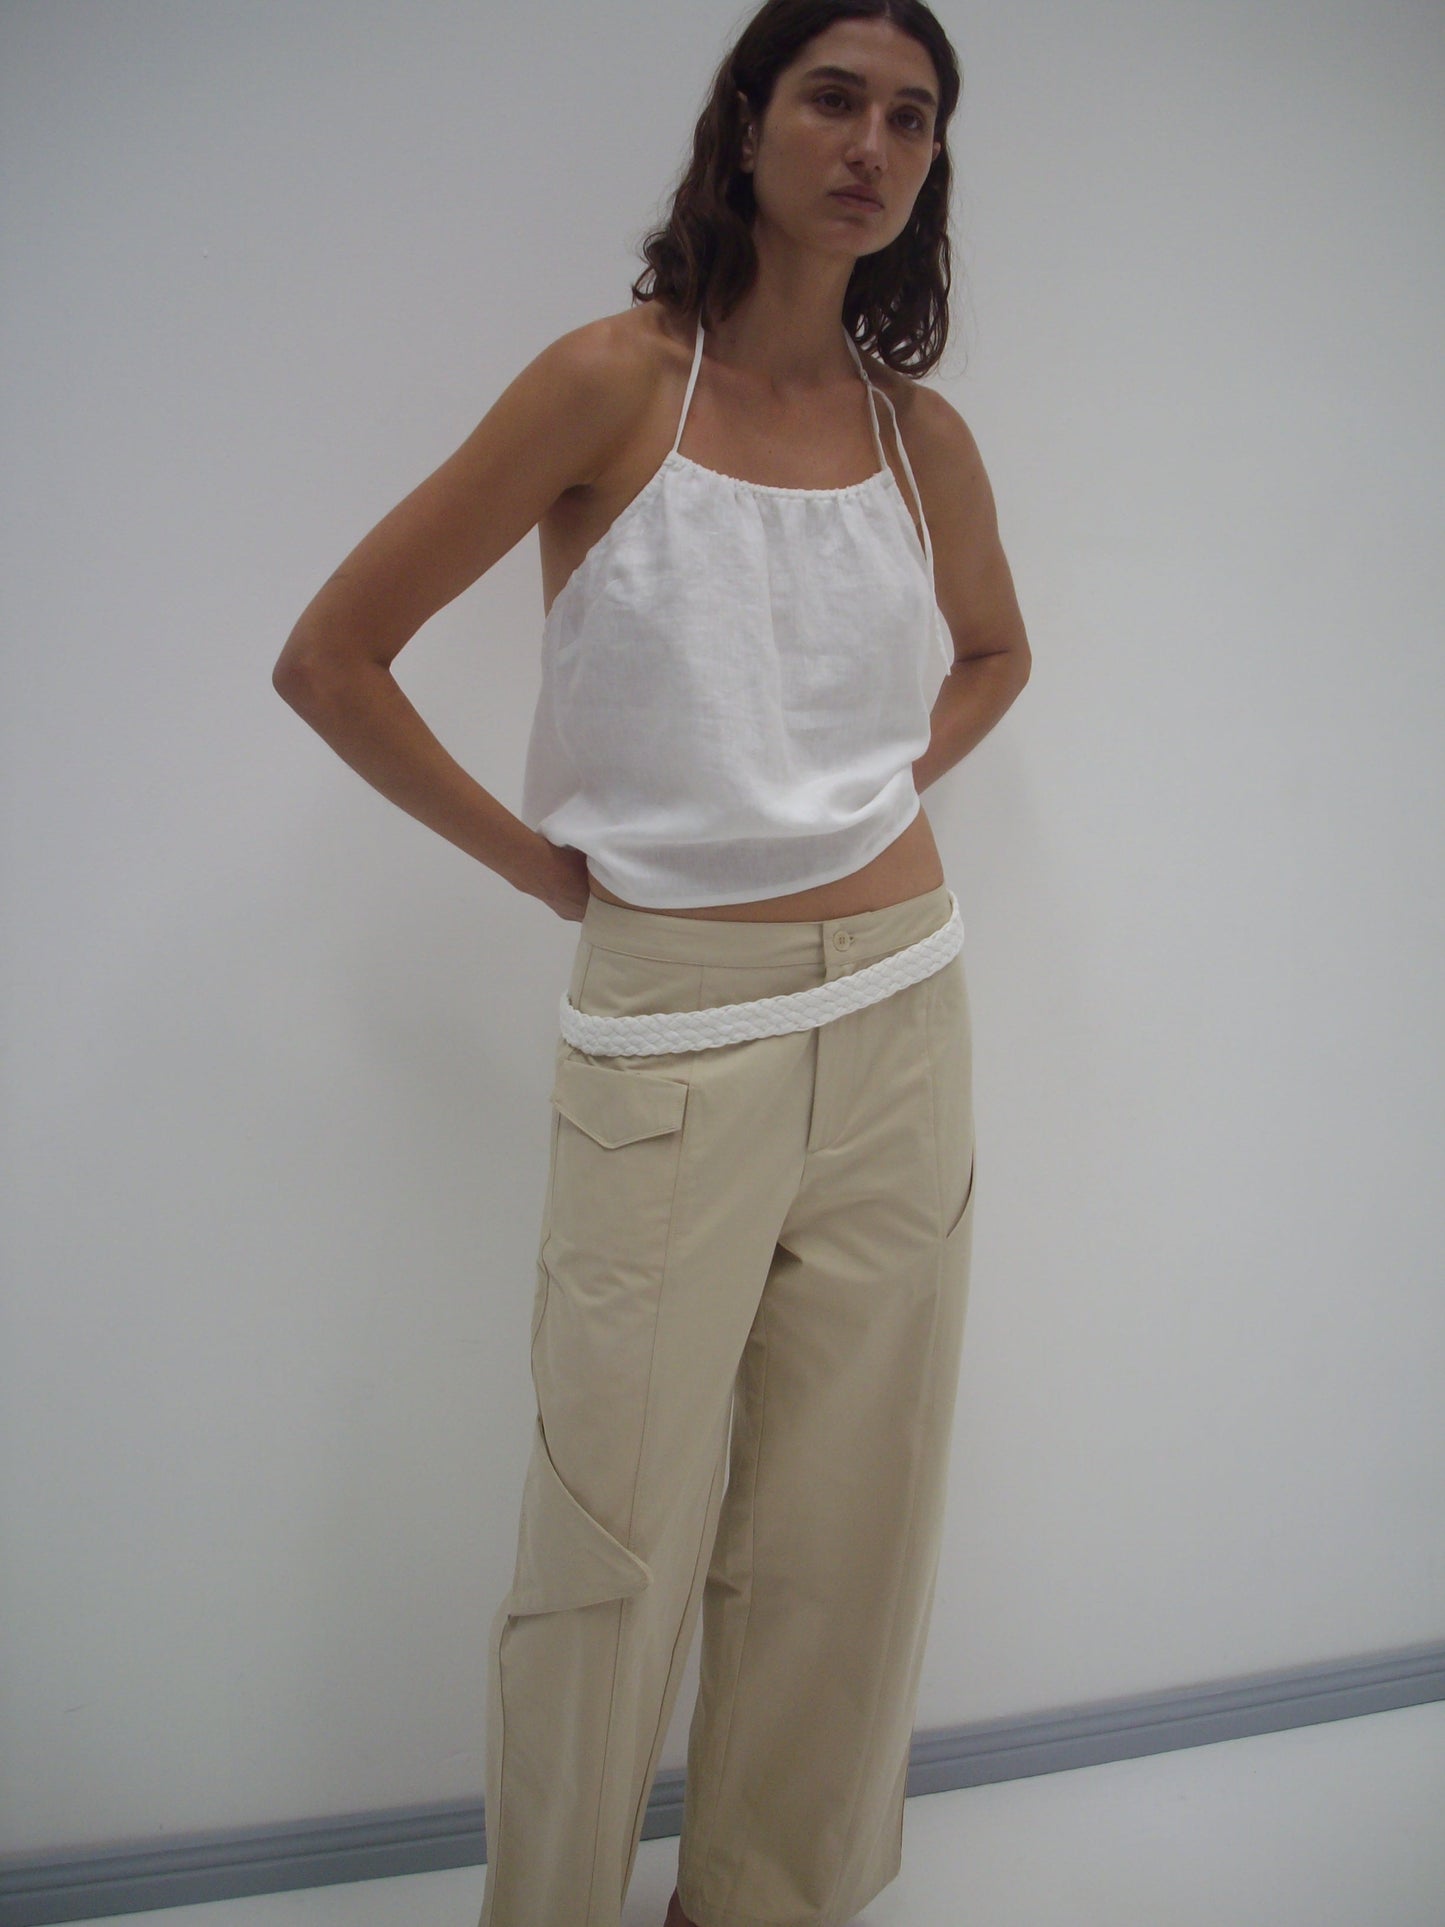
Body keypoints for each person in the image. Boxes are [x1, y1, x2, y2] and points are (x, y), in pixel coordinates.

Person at [273, 1, 1029, 1920]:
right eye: (834, 98)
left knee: (848, 1527)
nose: (870, 142)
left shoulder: (916, 433)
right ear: (750, 123)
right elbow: (332, 658)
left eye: (912, 118)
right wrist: (542, 871)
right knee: (611, 1532)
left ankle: (763, 1899)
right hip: (674, 1028)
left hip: (902, 1010)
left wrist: (880, 778)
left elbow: (995, 649)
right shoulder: (615, 385)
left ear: (930, 169)